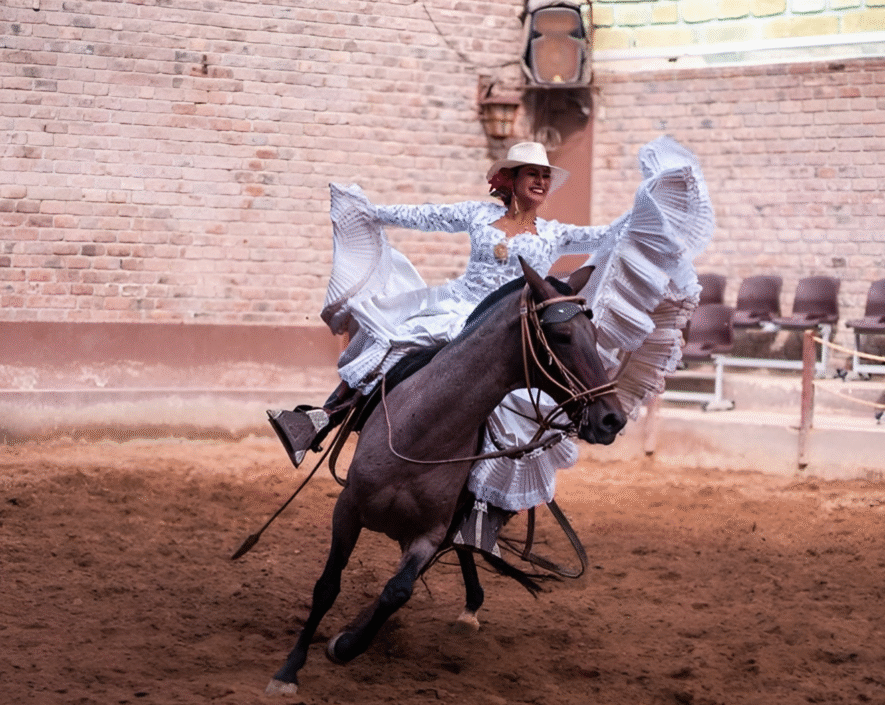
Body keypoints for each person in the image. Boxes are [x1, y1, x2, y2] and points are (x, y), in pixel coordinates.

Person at [268, 137, 715, 537]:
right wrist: (374, 213)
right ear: (510, 179)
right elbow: (426, 216)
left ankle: (481, 507)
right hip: (457, 311)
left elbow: (612, 236)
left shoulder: (555, 234)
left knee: (519, 412)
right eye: (532, 175)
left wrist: (647, 205)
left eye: (545, 176)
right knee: (391, 341)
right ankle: (321, 418)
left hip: (508, 329)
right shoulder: (478, 214)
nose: (540, 182)